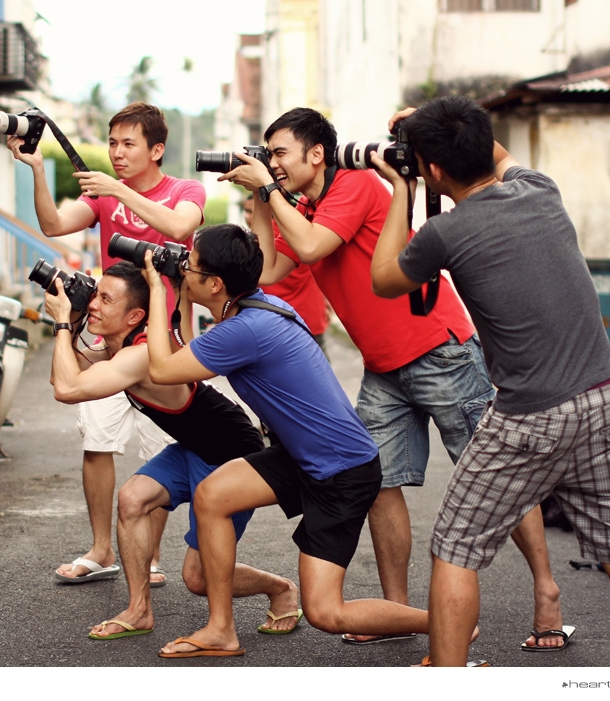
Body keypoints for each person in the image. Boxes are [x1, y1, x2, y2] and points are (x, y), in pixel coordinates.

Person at [219, 107, 563, 647]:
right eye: (269, 155)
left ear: (316, 154)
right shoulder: (302, 205)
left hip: (439, 352)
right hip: (383, 368)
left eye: (280, 152)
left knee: (502, 474)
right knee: (380, 483)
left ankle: (547, 593)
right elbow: (266, 271)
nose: (273, 163)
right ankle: (395, 610)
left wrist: (269, 190)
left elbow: (311, 248)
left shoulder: (354, 184)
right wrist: (265, 197)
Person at [369, 95, 610, 666]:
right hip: (604, 398)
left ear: (432, 170)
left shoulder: (444, 234)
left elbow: (383, 280)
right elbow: (494, 151)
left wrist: (400, 191)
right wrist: (433, 121)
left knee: (455, 545)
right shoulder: (539, 188)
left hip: (530, 415)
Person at [143, 225, 473, 659]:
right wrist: (180, 294)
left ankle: (449, 624)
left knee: (325, 611)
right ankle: (221, 629)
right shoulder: (257, 308)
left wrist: (154, 288)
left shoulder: (245, 329)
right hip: (305, 454)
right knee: (212, 496)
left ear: (216, 283)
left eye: (191, 264)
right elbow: (189, 350)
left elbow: (164, 370)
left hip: (341, 471)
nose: (183, 267)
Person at [45, 261, 300, 642]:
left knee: (197, 578)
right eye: (95, 294)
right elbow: (62, 376)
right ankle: (139, 609)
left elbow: (67, 390)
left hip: (231, 454)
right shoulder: (117, 349)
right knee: (132, 499)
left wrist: (64, 321)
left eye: (104, 299)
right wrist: (73, 319)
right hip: (194, 447)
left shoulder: (140, 354)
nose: (94, 304)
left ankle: (280, 587)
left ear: (135, 315)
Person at [9, 103, 205, 585]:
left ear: (156, 149)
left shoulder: (185, 190)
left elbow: (180, 227)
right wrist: (37, 168)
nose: (117, 153)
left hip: (165, 341)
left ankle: (151, 555)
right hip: (107, 338)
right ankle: (101, 550)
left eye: (128, 144)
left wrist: (117, 190)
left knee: (160, 450)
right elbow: (54, 225)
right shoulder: (102, 199)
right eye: (113, 143)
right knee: (97, 440)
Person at [243, 192, 329, 353]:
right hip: (308, 315)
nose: (248, 217)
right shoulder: (299, 231)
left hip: (277, 318)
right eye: (246, 211)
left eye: (252, 211)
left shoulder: (264, 241)